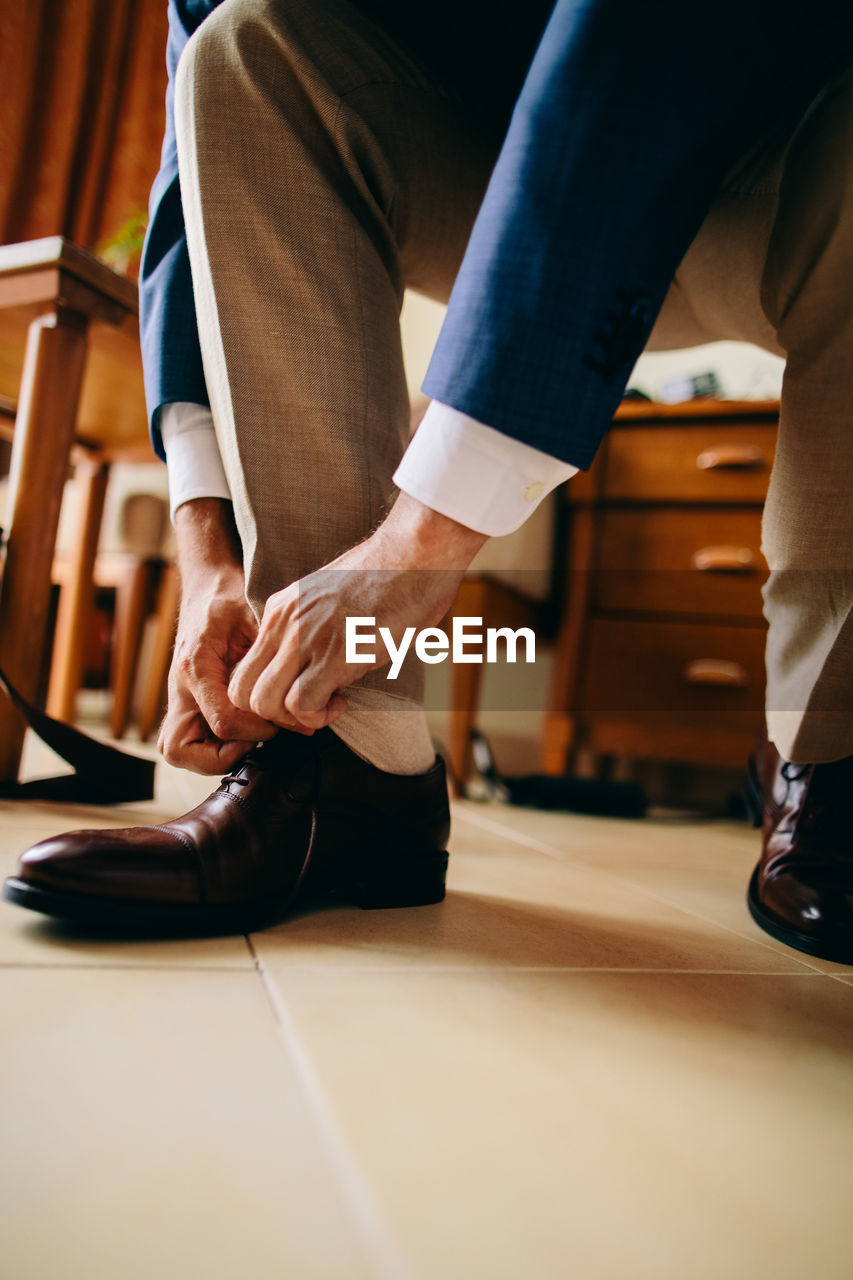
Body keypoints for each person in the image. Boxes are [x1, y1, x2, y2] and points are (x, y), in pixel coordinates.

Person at [4, 0, 852, 962]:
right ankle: (353, 765)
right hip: (480, 144)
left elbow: (636, 54)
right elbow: (186, 174)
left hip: (781, 136)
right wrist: (208, 553)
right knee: (243, 49)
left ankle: (828, 748)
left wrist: (420, 543)